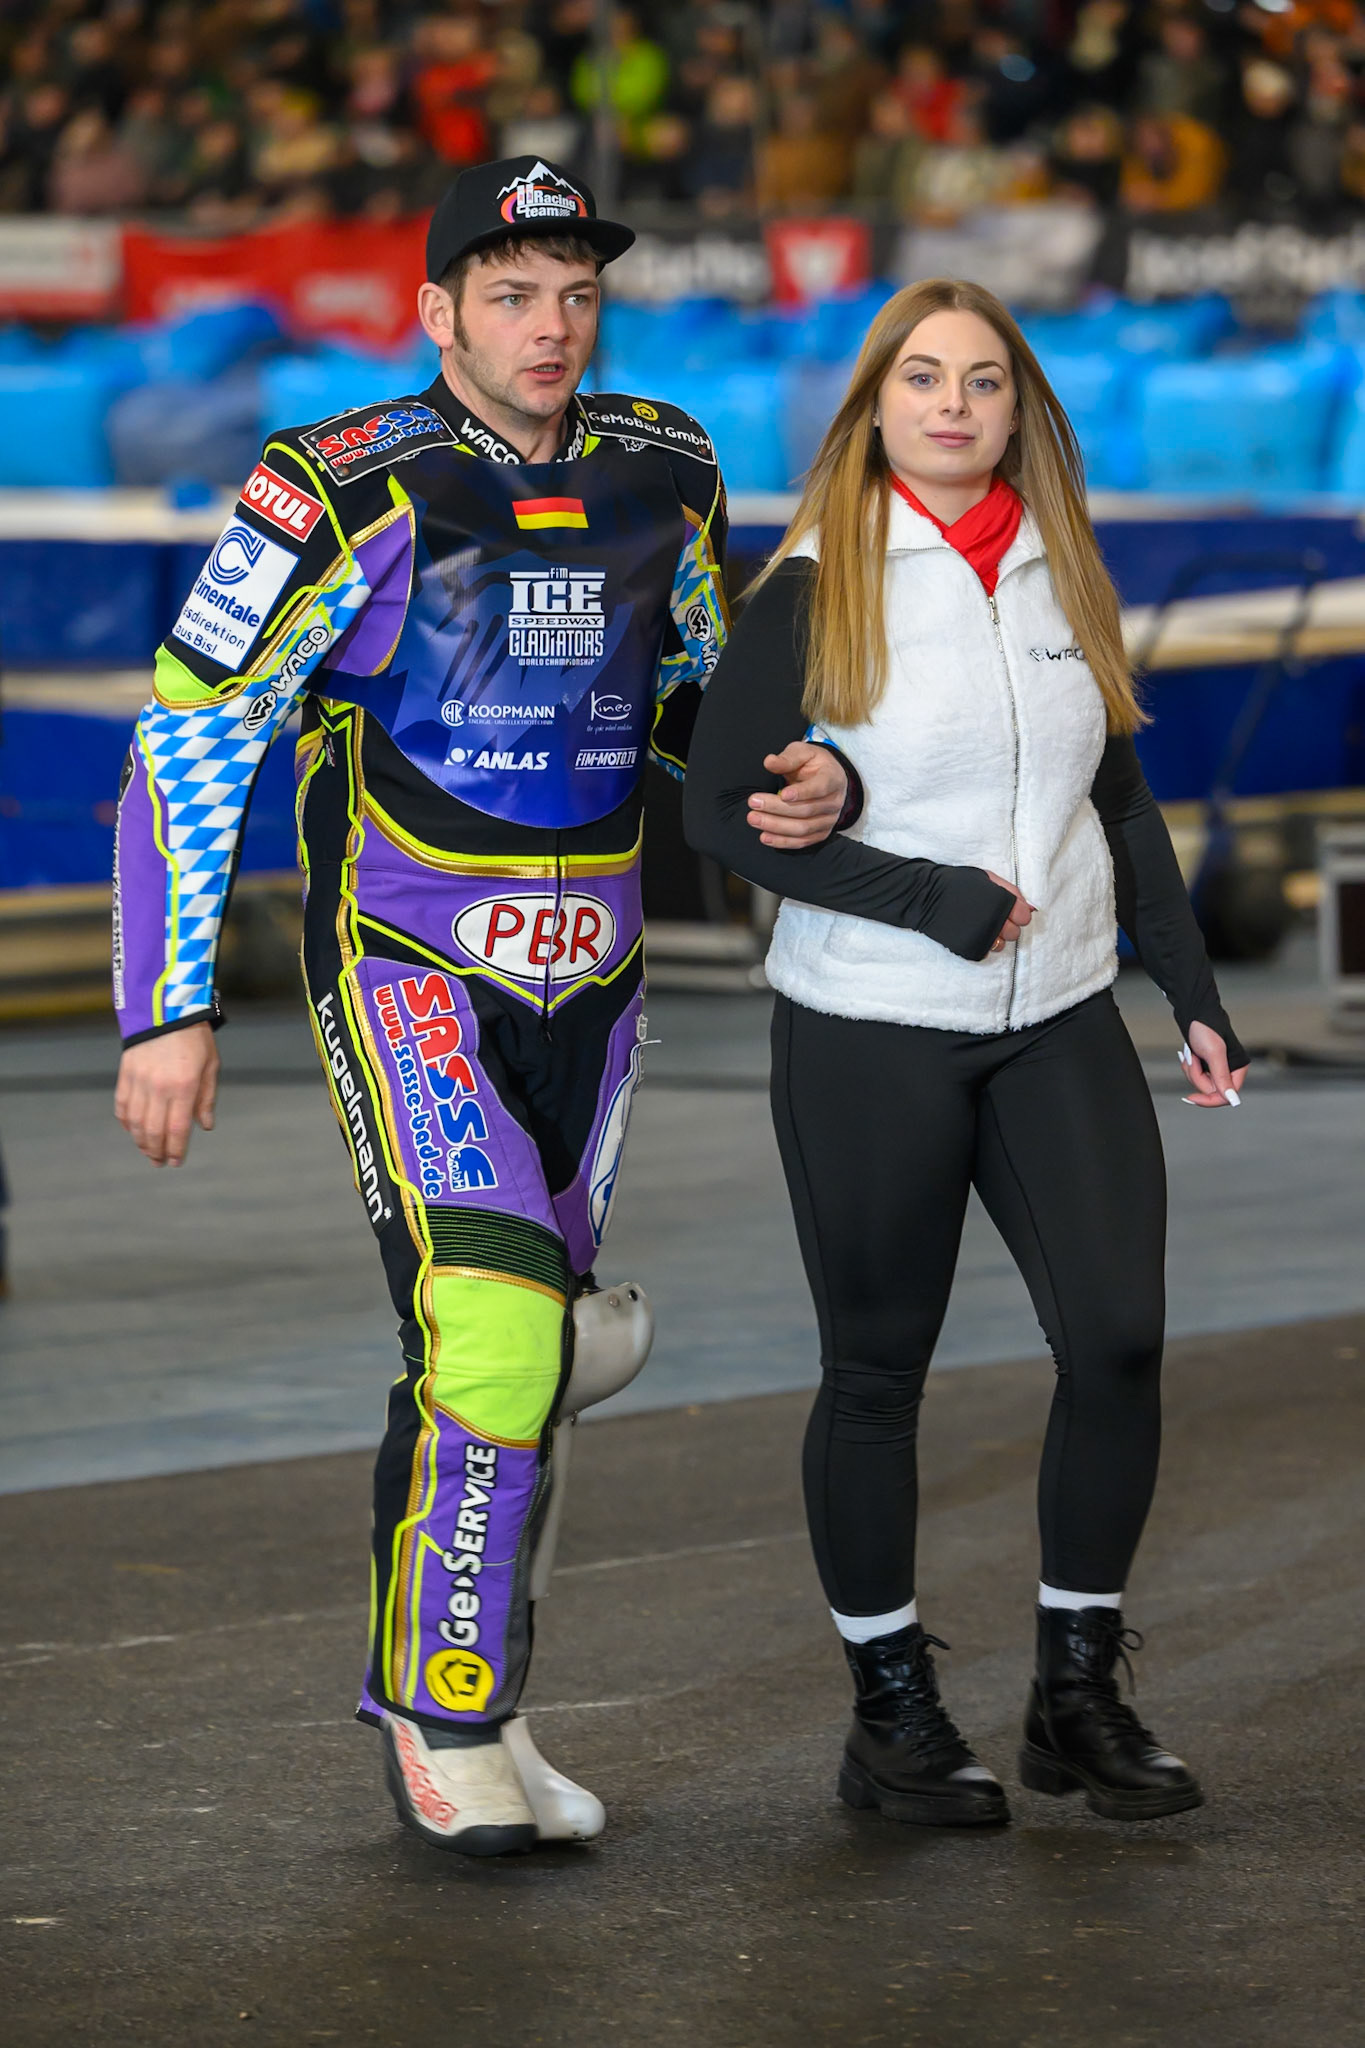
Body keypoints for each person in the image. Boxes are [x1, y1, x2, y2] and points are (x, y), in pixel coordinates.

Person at [111, 156, 851, 1858]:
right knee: (504, 1335)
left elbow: (685, 702)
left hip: (596, 976)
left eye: (576, 292)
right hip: (408, 963)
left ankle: (489, 1699)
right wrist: (168, 1007)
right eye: (511, 294)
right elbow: (191, 734)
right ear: (434, 309)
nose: (550, 326)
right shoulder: (329, 485)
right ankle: (445, 1723)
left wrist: (785, 786)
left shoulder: (668, 462)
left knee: (500, 1354)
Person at [684, 276, 1248, 1829]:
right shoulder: (813, 580)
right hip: (872, 1026)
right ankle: (889, 1716)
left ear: (1021, 410)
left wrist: (1187, 988)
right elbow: (713, 808)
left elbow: (1114, 801)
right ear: (873, 406)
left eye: (983, 381)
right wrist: (917, 894)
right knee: (877, 1374)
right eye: (920, 378)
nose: (951, 403)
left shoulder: (1065, 565)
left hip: (1059, 1013)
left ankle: (1075, 1694)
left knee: (1119, 1339)